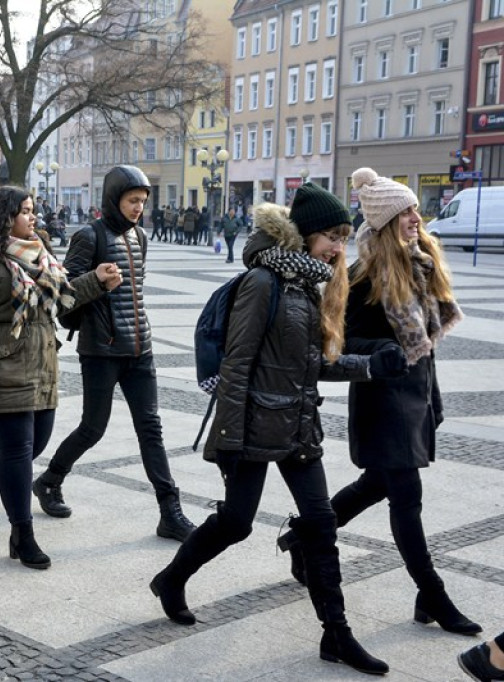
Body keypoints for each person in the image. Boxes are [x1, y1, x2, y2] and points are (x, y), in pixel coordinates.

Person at [150, 186, 407, 675]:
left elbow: (313, 364)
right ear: (307, 235)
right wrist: (226, 439)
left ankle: (337, 634)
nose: (339, 248)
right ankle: (171, 578)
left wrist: (372, 365)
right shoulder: (264, 283)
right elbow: (238, 362)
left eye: (344, 238)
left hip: (298, 428)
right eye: (333, 237)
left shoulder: (307, 287)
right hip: (254, 427)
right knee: (237, 523)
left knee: (322, 524)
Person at [279, 168, 481, 638]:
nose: (416, 217)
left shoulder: (420, 262)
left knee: (377, 484)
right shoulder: (364, 275)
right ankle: (431, 592)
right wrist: (381, 354)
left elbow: (425, 345)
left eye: (415, 209)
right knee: (406, 498)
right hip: (382, 399)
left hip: (415, 396)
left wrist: (434, 396)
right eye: (406, 211)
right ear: (388, 220)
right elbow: (340, 341)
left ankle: (302, 537)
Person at [0, 186, 122, 570]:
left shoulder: (39, 253)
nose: (33, 218)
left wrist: (96, 280)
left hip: (41, 365)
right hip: (1, 367)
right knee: (17, 452)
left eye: (33, 211)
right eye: (26, 211)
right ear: (4, 217)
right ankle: (22, 534)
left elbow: (59, 297)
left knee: (35, 445)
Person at [33, 166, 195, 542]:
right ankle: (49, 479)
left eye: (142, 201)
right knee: (93, 428)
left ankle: (170, 511)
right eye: (132, 200)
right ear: (114, 199)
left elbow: (136, 292)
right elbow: (63, 299)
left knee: (151, 429)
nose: (138, 208)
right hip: (102, 349)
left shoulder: (140, 236)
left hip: (141, 347)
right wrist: (98, 282)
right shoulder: (89, 236)